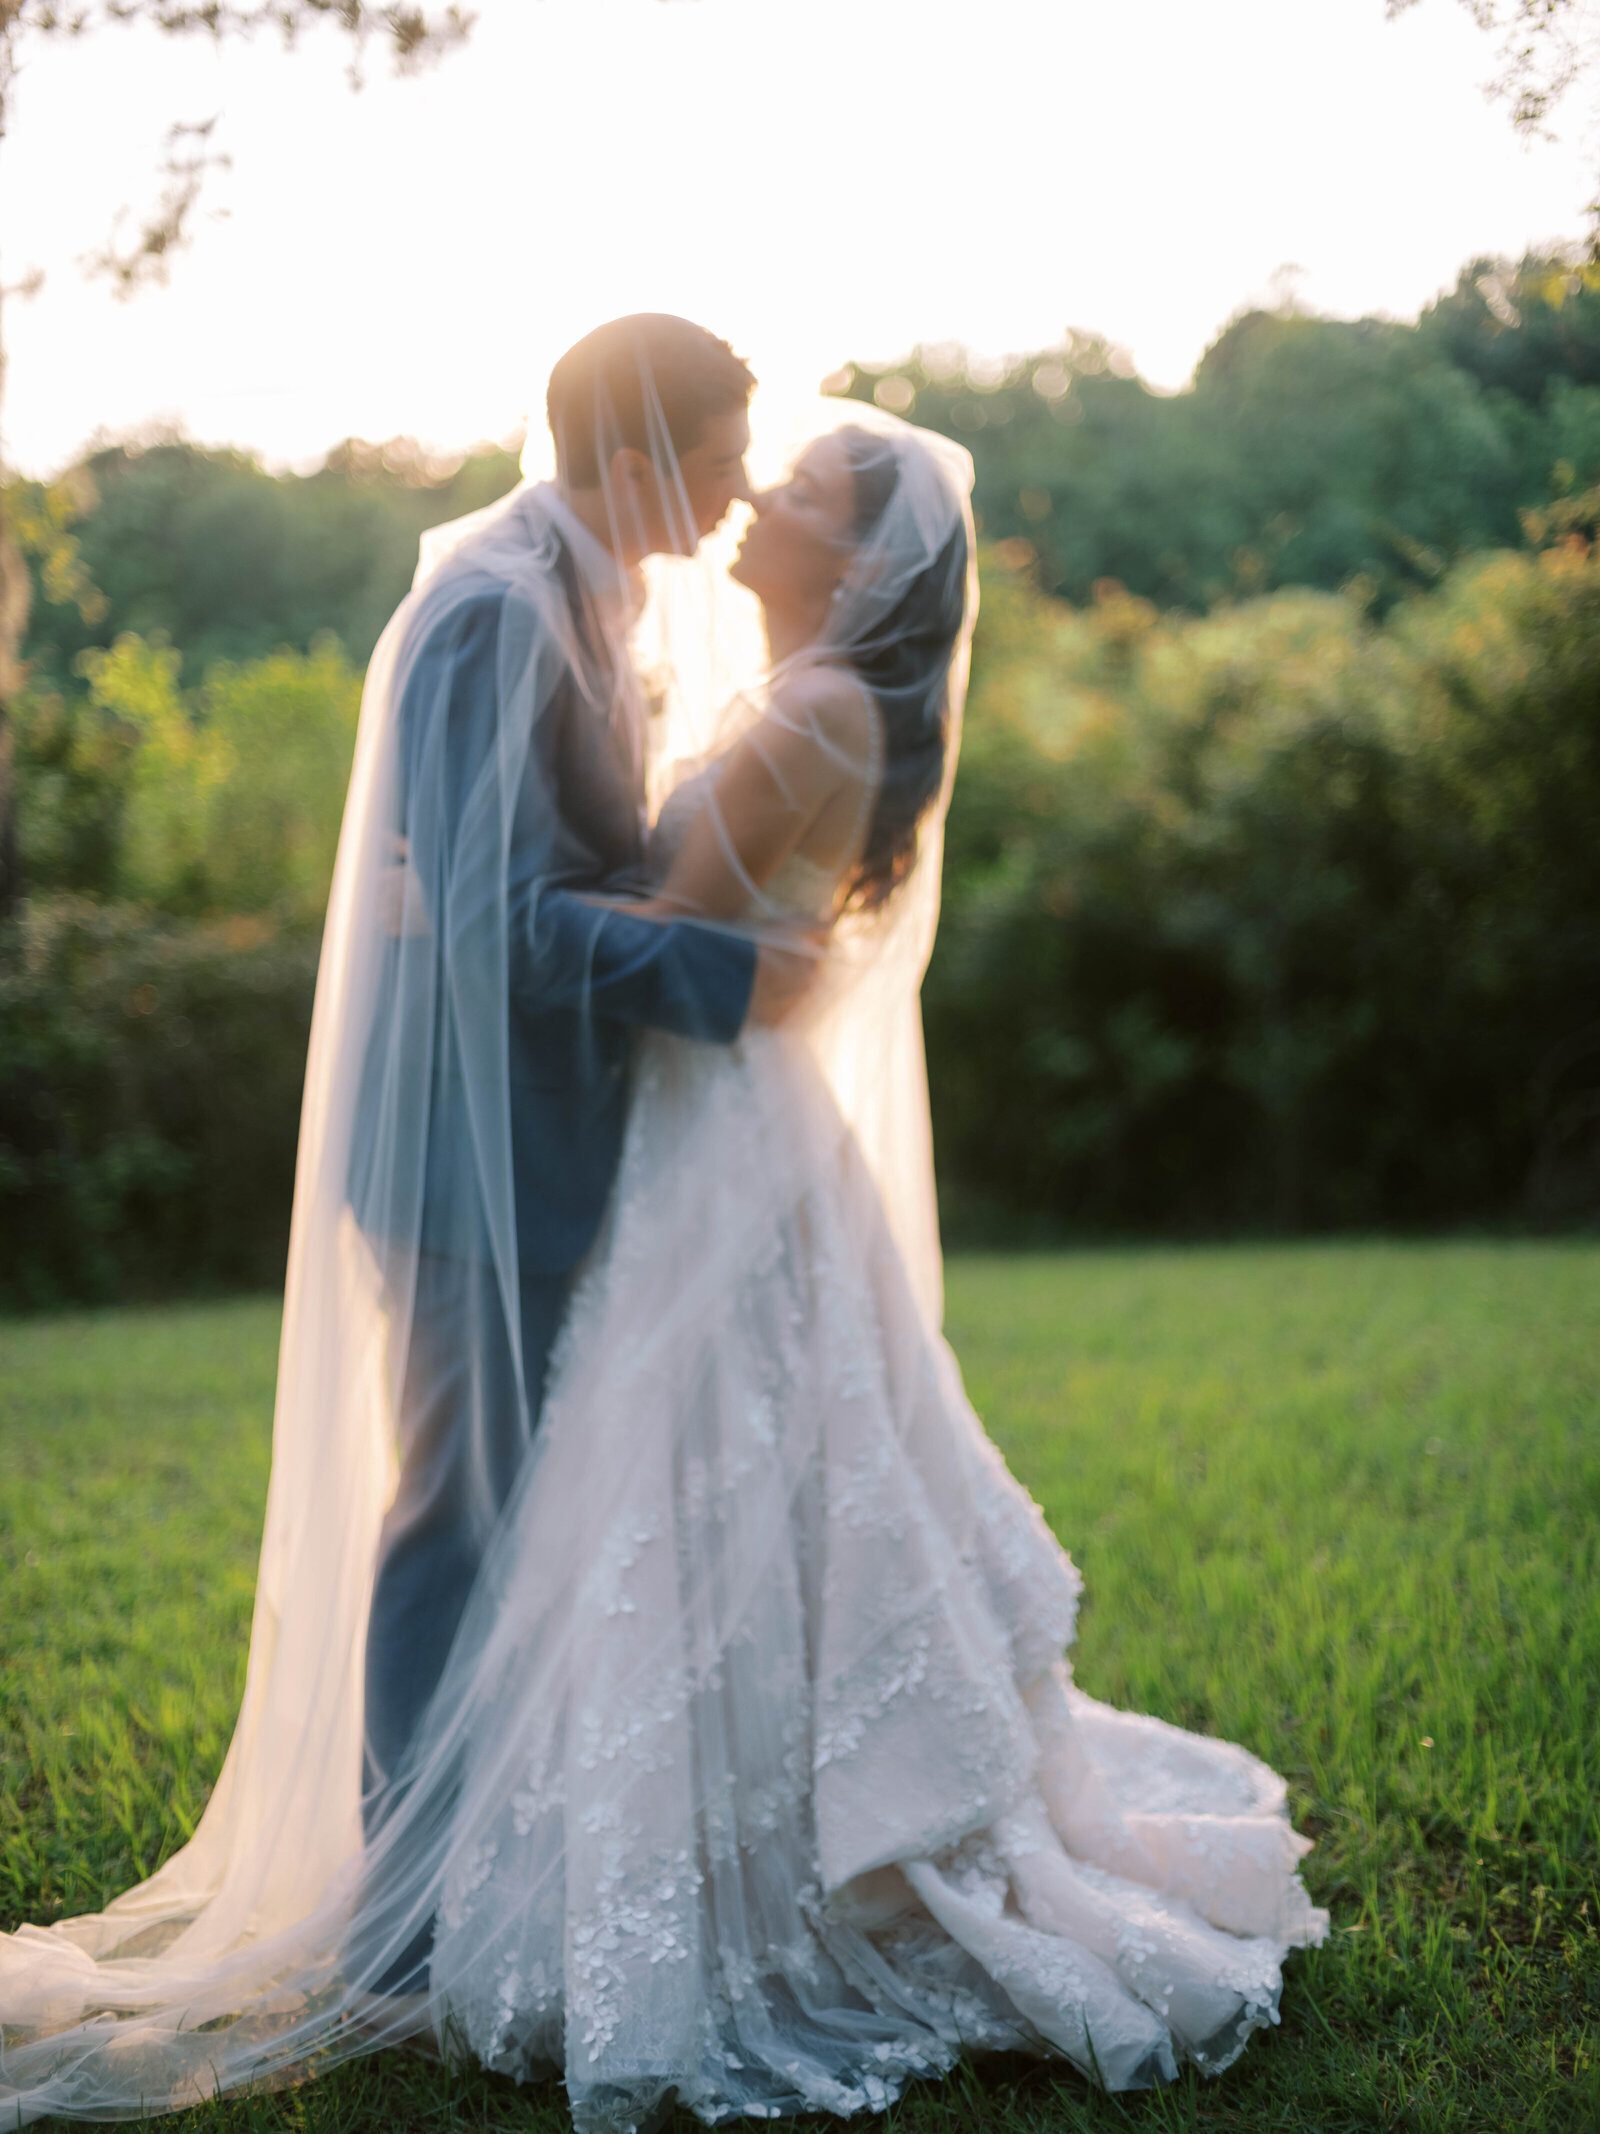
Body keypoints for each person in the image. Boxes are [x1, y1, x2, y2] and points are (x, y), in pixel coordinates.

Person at [0, 384, 1326, 2133]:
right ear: (639, 451)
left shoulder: (790, 698)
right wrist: (491, 910)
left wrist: (483, 903)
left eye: (780, 484)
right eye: (730, 462)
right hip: (644, 1132)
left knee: (669, 1493)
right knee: (561, 1502)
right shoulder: (551, 615)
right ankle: (441, 1887)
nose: (743, 499)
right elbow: (598, 901)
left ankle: (577, 1860)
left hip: (703, 1138)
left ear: (855, 563)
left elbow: (654, 898)